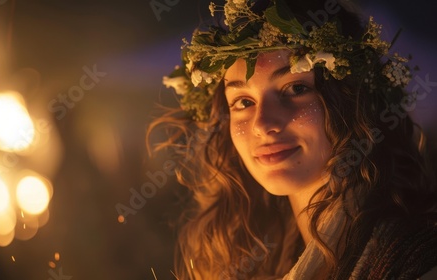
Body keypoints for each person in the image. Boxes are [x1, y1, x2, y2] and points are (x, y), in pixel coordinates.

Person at [148, 0, 437, 278]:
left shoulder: (415, 261)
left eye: (296, 88)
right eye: (243, 102)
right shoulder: (256, 259)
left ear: (352, 100)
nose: (263, 124)